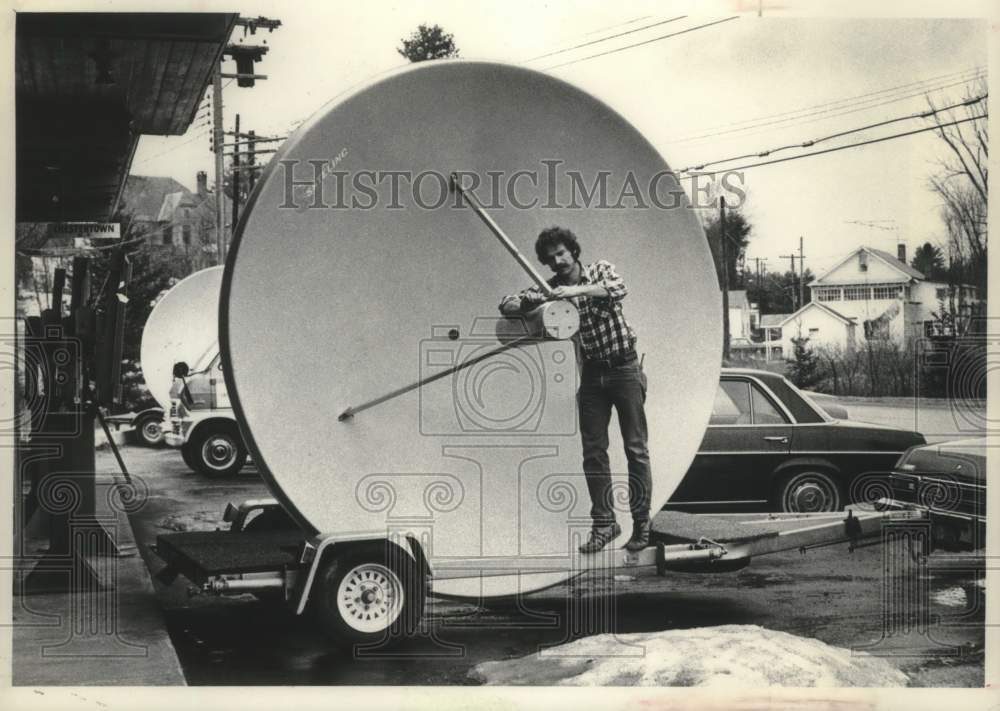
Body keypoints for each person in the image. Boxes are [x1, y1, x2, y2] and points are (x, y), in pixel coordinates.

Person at [499, 227, 651, 554]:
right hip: (593, 373)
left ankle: (641, 523)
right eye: (551, 258)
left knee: (636, 449)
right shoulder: (551, 287)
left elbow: (618, 288)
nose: (558, 261)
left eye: (562, 253)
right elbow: (507, 305)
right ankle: (605, 524)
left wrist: (574, 291)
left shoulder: (599, 270)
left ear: (573, 251)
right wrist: (530, 301)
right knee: (593, 453)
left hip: (624, 367)